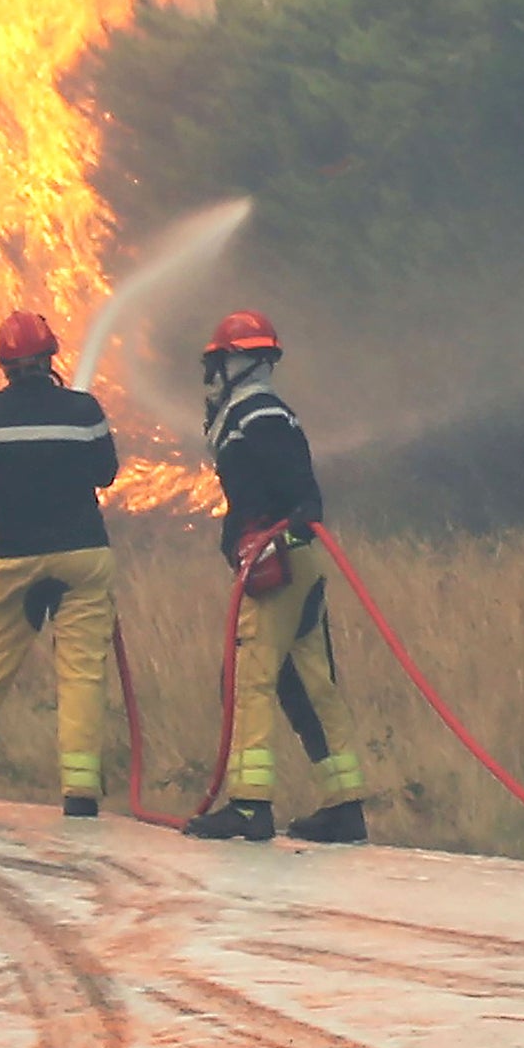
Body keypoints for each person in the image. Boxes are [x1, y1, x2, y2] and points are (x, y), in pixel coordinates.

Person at [0, 307, 118, 820]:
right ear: (51, 356)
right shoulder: (84, 410)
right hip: (82, 556)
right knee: (80, 674)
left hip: (14, 557)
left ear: (3, 364)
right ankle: (80, 794)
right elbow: (106, 474)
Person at [187, 308, 366, 843]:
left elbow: (299, 490)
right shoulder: (263, 409)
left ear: (238, 361)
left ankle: (249, 805)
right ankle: (345, 806)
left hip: (278, 564)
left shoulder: (255, 412)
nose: (213, 373)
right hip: (295, 562)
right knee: (314, 684)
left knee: (248, 679)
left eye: (219, 361)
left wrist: (277, 535)